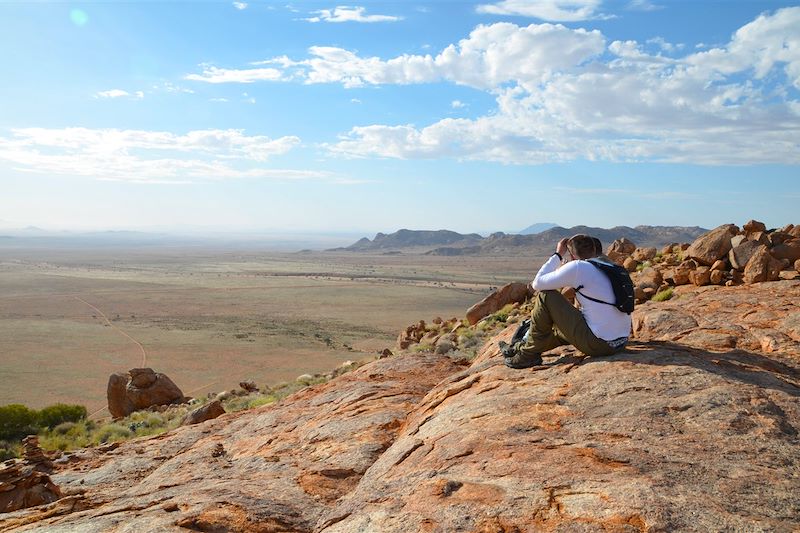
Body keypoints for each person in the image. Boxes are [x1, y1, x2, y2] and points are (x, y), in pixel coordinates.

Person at [501, 234, 632, 369]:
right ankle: (518, 347)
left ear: (572, 256)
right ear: (594, 249)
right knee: (560, 332)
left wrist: (558, 254)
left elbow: (537, 284)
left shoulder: (579, 266)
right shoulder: (612, 267)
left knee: (546, 296)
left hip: (599, 345)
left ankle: (528, 355)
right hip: (620, 342)